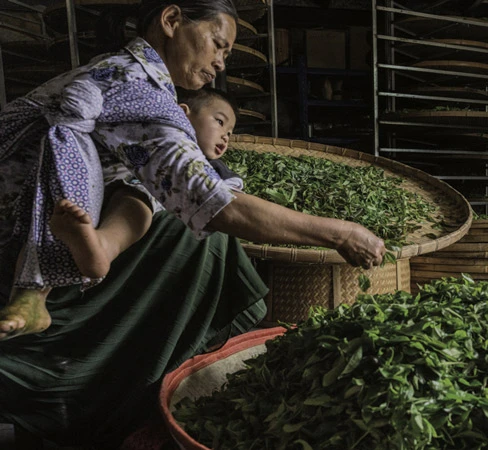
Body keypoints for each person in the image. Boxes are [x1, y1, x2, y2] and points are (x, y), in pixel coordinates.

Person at [0, 0, 385, 446]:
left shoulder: (133, 80)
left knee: (161, 214)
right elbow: (216, 205)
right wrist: (340, 232)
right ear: (171, 20)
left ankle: (136, 382)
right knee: (204, 240)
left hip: (46, 223)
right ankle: (91, 389)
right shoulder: (133, 84)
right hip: (21, 234)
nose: (220, 63)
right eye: (218, 44)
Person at [0, 86, 244, 341]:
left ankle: (103, 247)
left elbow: (226, 199)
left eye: (229, 133)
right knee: (69, 198)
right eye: (219, 122)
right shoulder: (146, 134)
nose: (226, 137)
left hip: (146, 195)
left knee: (136, 199)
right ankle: (31, 294)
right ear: (183, 114)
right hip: (102, 188)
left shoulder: (212, 167)